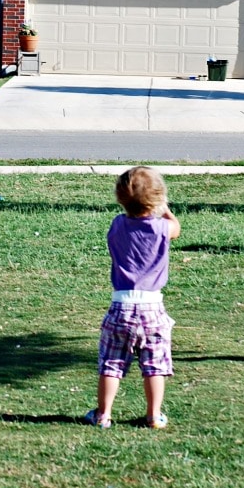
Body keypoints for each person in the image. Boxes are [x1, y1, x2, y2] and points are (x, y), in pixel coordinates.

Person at [85, 166, 180, 429]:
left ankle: (103, 414)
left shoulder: (117, 225)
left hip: (121, 305)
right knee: (155, 365)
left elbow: (128, 219)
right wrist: (165, 208)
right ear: (157, 198)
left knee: (111, 363)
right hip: (153, 308)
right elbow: (176, 227)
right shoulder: (162, 228)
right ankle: (154, 415)